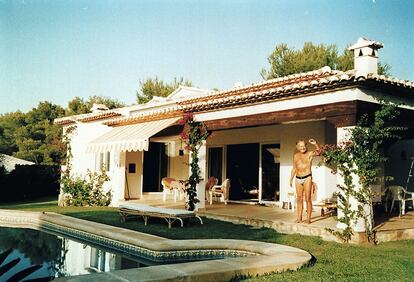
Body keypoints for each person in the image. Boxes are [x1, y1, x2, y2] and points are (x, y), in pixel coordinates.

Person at [290, 139, 320, 224]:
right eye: (300, 146)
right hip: (298, 178)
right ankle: (299, 218)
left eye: (304, 146)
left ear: (306, 146)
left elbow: (319, 153)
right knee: (299, 199)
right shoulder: (295, 156)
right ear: (297, 147)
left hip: (307, 178)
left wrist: (315, 144)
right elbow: (294, 168)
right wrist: (291, 179)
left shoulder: (309, 154)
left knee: (308, 198)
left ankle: (308, 219)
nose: (302, 147)